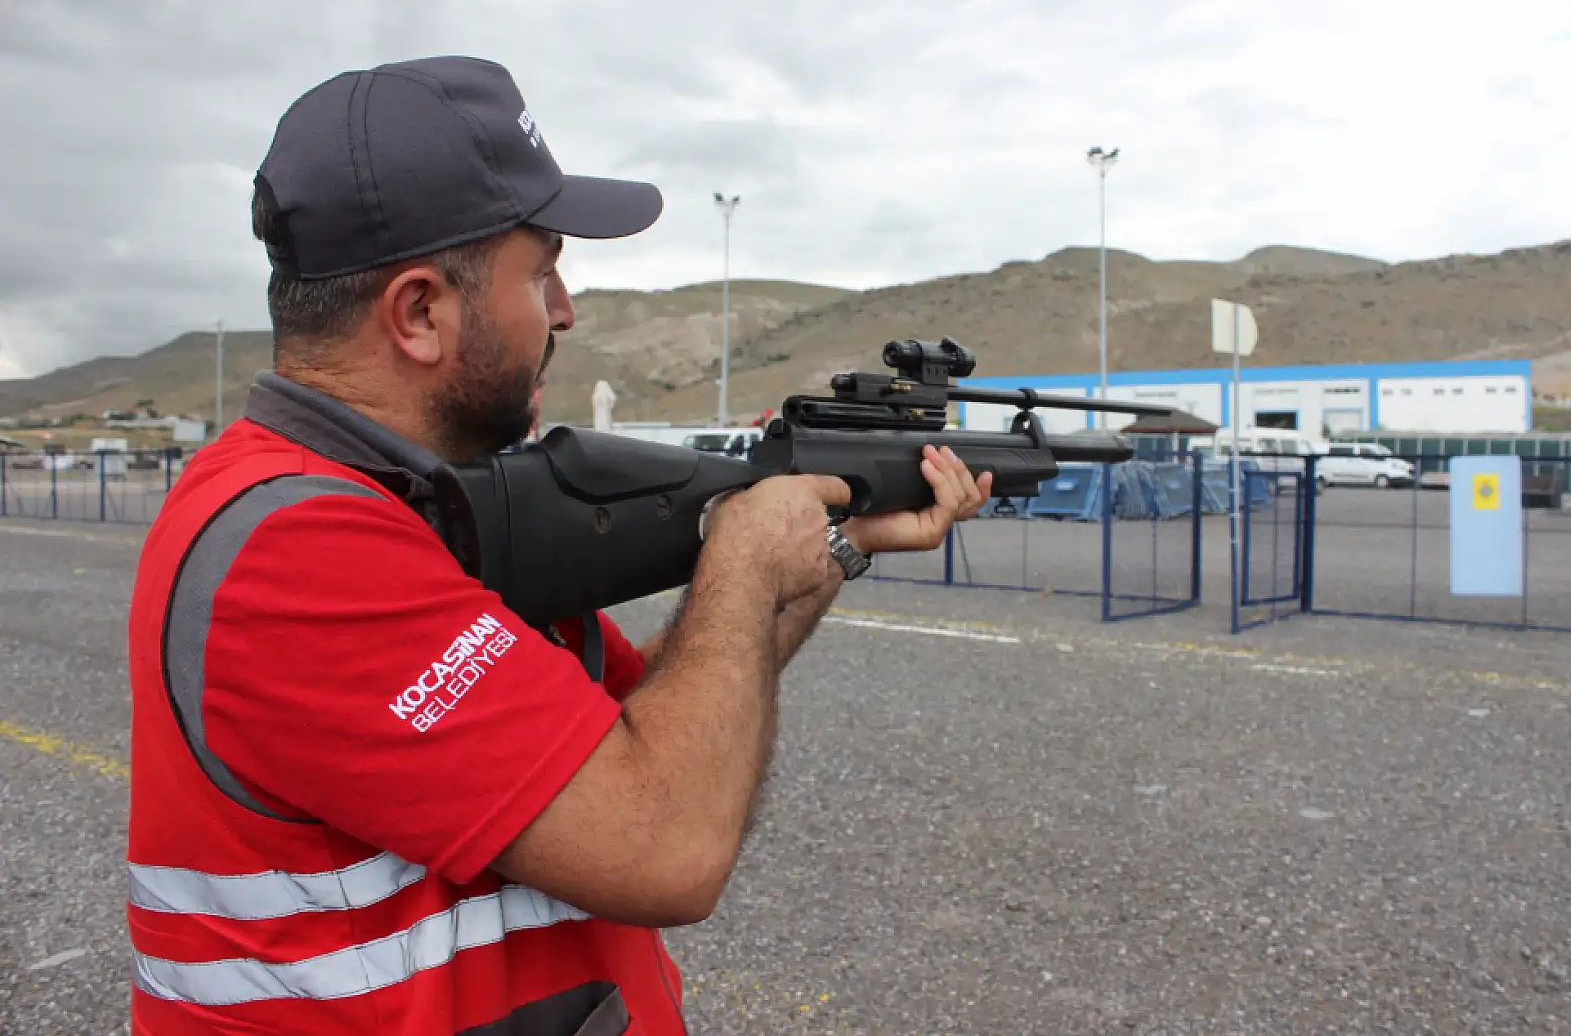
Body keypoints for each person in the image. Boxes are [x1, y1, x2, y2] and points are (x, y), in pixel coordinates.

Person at [123, 55, 993, 1036]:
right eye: (539, 272)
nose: (566, 308)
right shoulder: (297, 550)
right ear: (418, 313)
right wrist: (745, 551)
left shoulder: (408, 511)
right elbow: (667, 841)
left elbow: (645, 722)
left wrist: (831, 538)